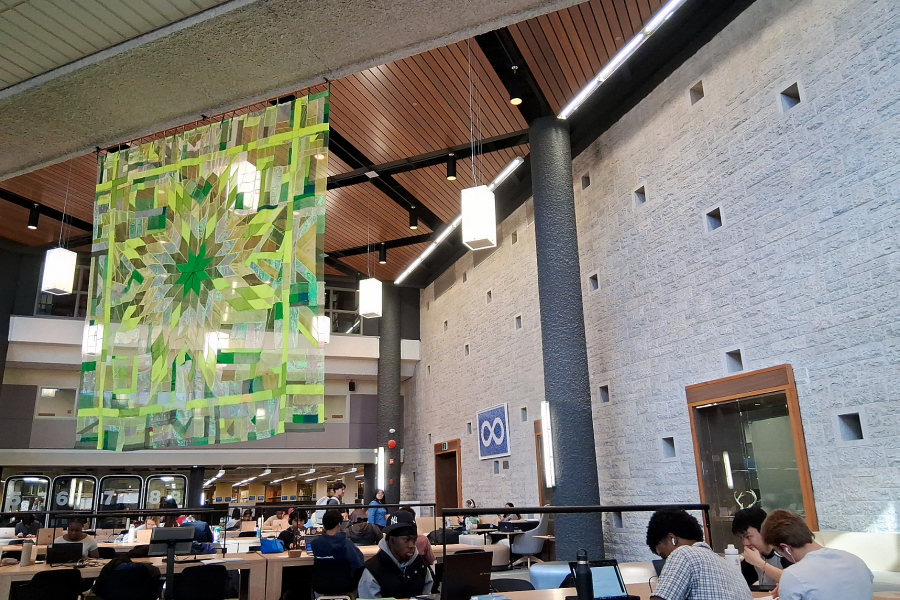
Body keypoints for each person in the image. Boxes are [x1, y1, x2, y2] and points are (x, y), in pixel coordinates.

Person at [761, 509, 873, 600]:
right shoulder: (856, 561)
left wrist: (789, 586)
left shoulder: (793, 575)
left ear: (786, 548)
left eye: (778, 551)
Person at [646, 508, 751, 600]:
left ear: (672, 539)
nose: (667, 561)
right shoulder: (728, 566)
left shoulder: (683, 554)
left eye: (664, 555)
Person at [357, 509, 433, 598]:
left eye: (414, 540)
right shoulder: (373, 570)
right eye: (406, 540)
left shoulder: (421, 566)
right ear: (392, 540)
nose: (412, 545)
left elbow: (428, 596)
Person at [731, 506, 789, 588]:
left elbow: (793, 580)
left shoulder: (785, 551)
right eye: (741, 538)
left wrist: (759, 563)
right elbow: (738, 583)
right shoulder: (753, 557)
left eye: (748, 537)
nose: (745, 543)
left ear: (763, 531)